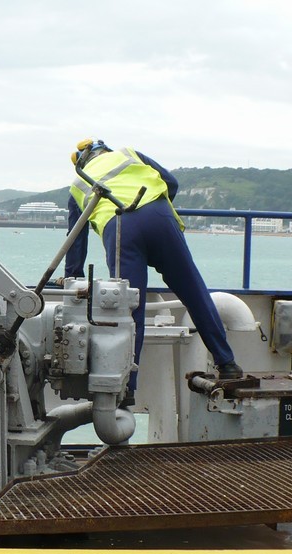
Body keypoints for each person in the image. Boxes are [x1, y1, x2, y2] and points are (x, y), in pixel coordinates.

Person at [63, 138, 242, 405]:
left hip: (122, 227)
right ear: (105, 150)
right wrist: (156, 209)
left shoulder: (78, 185)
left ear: (81, 162)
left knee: (129, 312)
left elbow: (76, 239)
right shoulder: (127, 153)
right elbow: (171, 183)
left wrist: (72, 276)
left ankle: (127, 389)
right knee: (194, 292)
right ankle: (227, 364)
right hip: (159, 217)